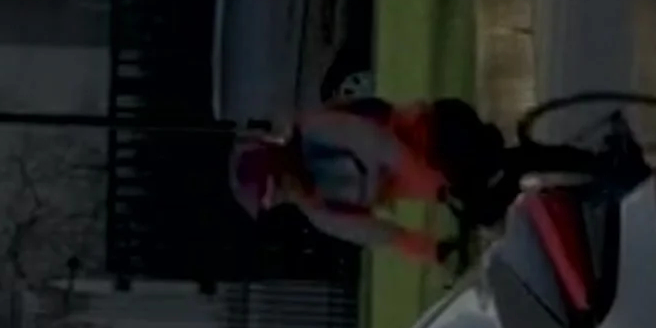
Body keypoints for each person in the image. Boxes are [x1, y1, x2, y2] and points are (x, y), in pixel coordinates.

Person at [227, 96, 608, 266]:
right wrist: (435, 251)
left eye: (278, 186)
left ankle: (599, 163)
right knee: (492, 211)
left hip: (437, 132)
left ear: (278, 161)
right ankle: (578, 202)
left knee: (500, 166)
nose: (285, 196)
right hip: (442, 184)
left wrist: (437, 187)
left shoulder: (319, 131)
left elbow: (382, 146)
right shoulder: (321, 211)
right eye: (277, 200)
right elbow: (380, 233)